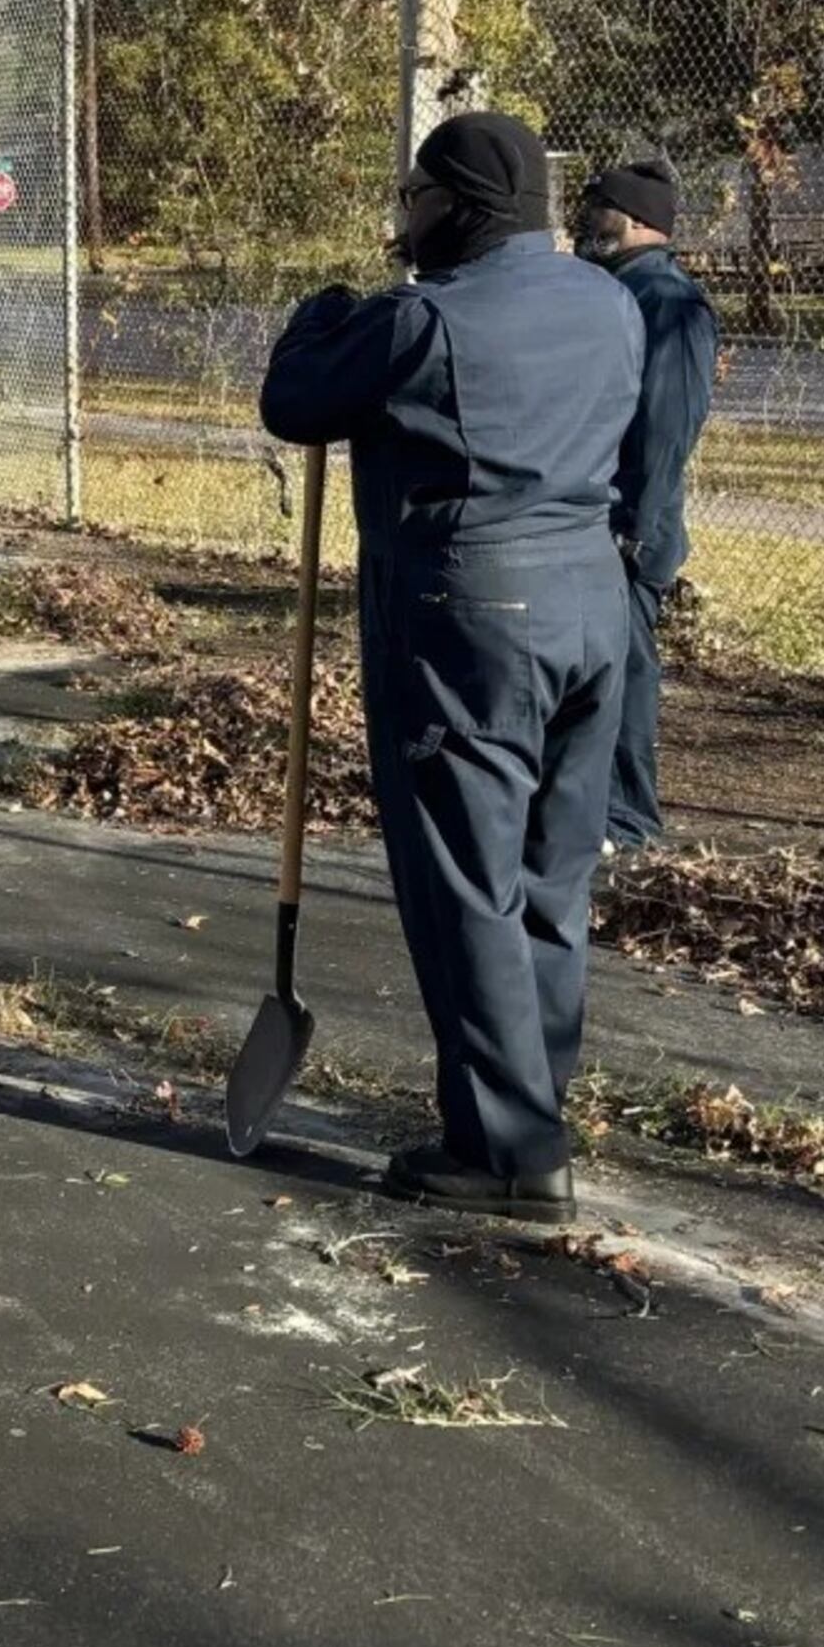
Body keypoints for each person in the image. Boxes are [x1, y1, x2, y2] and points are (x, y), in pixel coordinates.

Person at [257, 112, 641, 1221]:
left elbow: (295, 401)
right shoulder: (611, 305)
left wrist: (318, 316)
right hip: (589, 604)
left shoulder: (423, 322)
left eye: (416, 199)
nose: (404, 219)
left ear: (458, 209)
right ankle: (531, 1102)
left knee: (466, 878)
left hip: (476, 613)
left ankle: (504, 1154)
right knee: (551, 875)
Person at [572, 160, 719, 853]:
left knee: (625, 675)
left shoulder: (667, 302)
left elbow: (666, 429)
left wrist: (638, 527)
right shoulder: (609, 290)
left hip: (626, 528)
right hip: (586, 520)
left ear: (633, 222)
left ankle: (626, 822)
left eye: (598, 209)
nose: (583, 221)